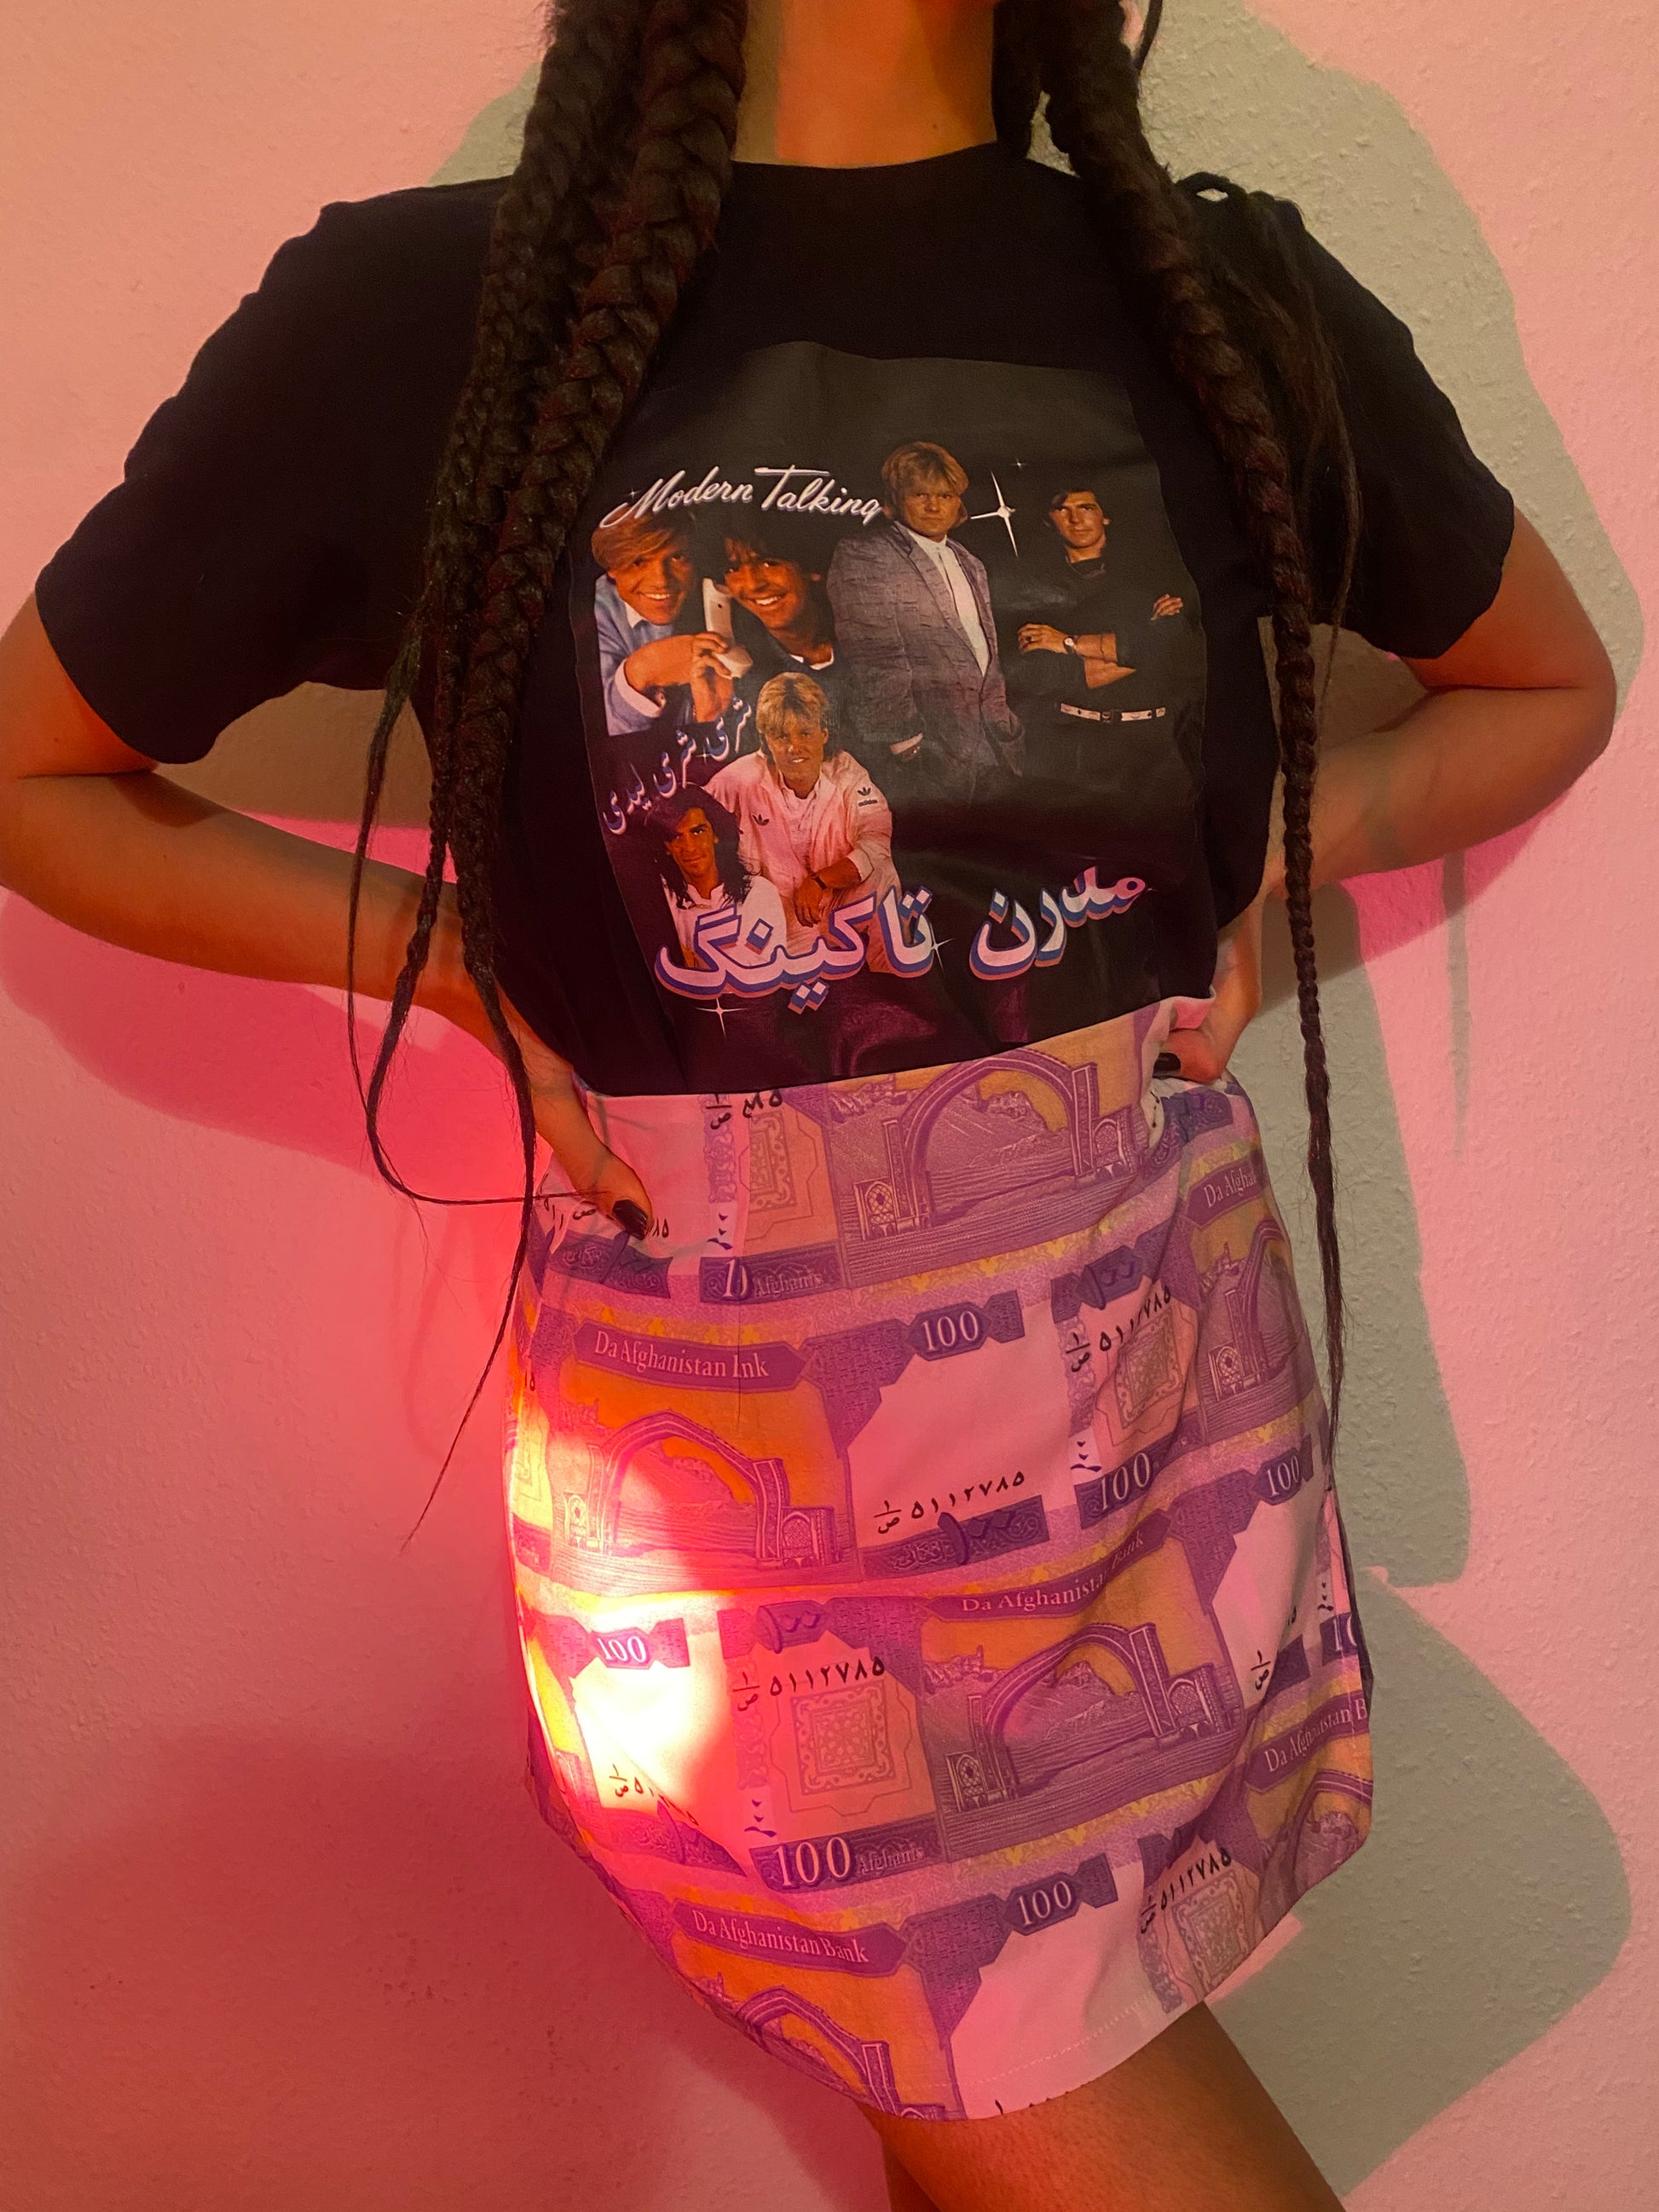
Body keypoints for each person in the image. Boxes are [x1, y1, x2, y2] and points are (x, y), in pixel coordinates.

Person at [0, 2, 1616, 2207]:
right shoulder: (419, 318)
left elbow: (1544, 686)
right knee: (977, 2043)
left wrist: (1259, 855)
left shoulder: (1221, 309)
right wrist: (450, 961)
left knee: (981, 2096)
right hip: (751, 1492)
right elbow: (43, 772)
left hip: (1135, 1402)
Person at [829, 438, 1024, 802]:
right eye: (921, 495)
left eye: (946, 496)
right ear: (897, 499)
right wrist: (906, 744)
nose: (934, 506)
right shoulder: (867, 555)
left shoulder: (969, 561)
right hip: (924, 754)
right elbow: (873, 655)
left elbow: (984, 652)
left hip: (993, 745)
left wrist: (1005, 723)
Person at [705, 669, 897, 956]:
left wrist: (820, 881)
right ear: (767, 742)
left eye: (805, 732)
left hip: (836, 905)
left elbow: (876, 843)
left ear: (823, 733)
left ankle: (893, 976)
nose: (794, 746)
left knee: (883, 874)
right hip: (777, 916)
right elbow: (690, 814)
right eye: (781, 736)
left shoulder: (848, 773)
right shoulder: (741, 778)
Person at [590, 505, 734, 736]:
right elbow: (599, 731)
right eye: (638, 562)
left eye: (678, 558)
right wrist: (643, 668)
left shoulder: (718, 596)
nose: (661, 580)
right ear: (612, 567)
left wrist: (704, 717)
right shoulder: (594, 615)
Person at [647, 788, 789, 977]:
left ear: (716, 834)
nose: (689, 848)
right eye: (676, 837)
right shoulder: (662, 899)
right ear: (666, 847)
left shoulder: (759, 893)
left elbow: (760, 968)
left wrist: (693, 961)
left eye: (697, 831)